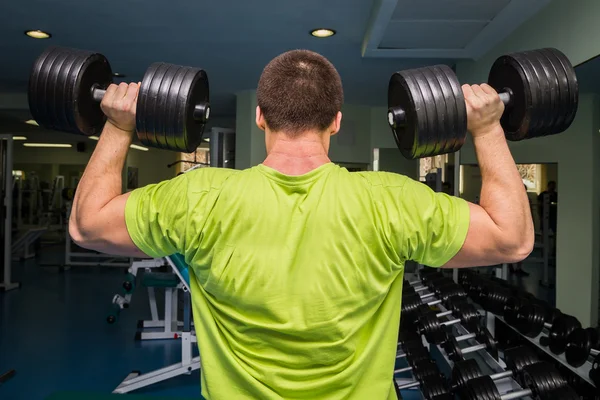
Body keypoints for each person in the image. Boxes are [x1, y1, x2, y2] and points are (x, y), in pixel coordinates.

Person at [69, 50, 534, 400]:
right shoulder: (390, 200)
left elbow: (87, 226)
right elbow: (512, 239)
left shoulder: (199, 196)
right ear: (335, 121)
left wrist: (117, 126)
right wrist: (488, 128)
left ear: (259, 116)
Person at [509, 184, 532, 276]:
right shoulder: (511, 200)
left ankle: (518, 268)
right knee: (510, 248)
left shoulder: (526, 201)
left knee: (521, 248)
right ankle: (510, 266)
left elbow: (529, 214)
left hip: (522, 227)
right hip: (512, 227)